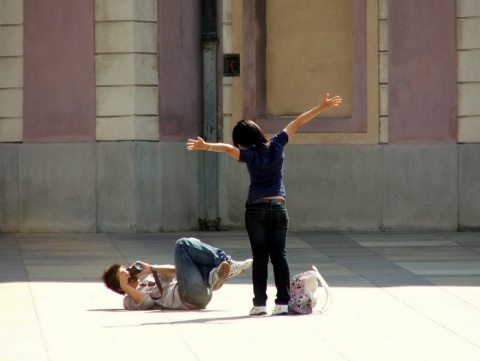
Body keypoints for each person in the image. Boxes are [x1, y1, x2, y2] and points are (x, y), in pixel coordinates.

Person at [186, 93, 341, 316]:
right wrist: (321, 106)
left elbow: (228, 149)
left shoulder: (249, 155)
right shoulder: (277, 144)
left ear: (243, 141)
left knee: (260, 258)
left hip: (256, 209)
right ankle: (283, 303)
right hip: (279, 208)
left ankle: (259, 305)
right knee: (280, 256)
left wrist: (205, 146)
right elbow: (298, 121)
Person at [102, 237, 253, 310]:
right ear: (121, 286)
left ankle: (213, 277)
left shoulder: (149, 279)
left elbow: (176, 271)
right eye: (124, 274)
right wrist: (126, 287)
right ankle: (218, 271)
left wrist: (152, 268)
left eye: (127, 270)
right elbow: (146, 302)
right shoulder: (128, 300)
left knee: (192, 242)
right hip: (186, 297)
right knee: (182, 245)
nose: (129, 273)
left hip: (201, 293)